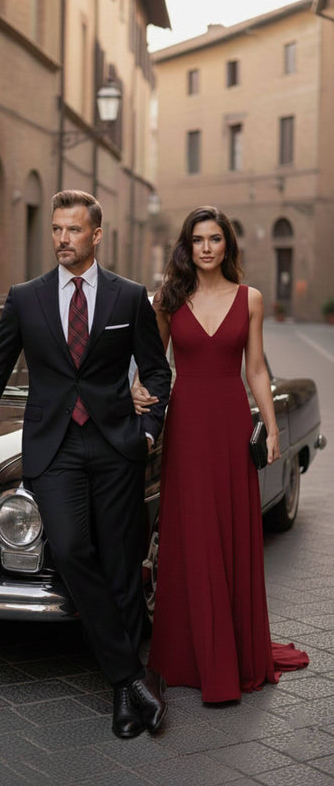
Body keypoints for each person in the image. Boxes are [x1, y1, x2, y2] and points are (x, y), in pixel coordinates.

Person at [0, 190, 172, 737]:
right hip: (54, 447)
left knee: (122, 560)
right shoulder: (26, 297)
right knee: (69, 549)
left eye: (73, 230)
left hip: (115, 446)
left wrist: (148, 433)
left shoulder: (128, 297)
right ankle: (130, 677)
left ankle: (125, 697)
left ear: (96, 235)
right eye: (56, 230)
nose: (62, 238)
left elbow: (157, 373)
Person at [133, 205, 308, 703]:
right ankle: (190, 654)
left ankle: (231, 650)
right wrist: (135, 390)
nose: (206, 247)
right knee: (190, 534)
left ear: (227, 244)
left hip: (232, 424)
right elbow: (155, 365)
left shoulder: (249, 299)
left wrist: (270, 428)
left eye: (215, 239)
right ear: (187, 247)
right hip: (186, 425)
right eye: (198, 240)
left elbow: (255, 371)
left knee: (230, 532)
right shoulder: (168, 299)